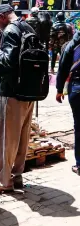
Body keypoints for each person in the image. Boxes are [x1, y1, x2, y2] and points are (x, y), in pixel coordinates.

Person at [0, 4, 36, 193]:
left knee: (6, 139)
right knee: (22, 137)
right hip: (29, 92)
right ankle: (17, 176)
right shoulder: (28, 27)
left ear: (3, 16)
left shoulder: (10, 31)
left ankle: (3, 182)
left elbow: (7, 62)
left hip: (12, 93)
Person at [56, 30, 80, 175]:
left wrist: (59, 89)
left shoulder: (72, 45)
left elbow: (63, 66)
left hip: (77, 89)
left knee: (79, 126)